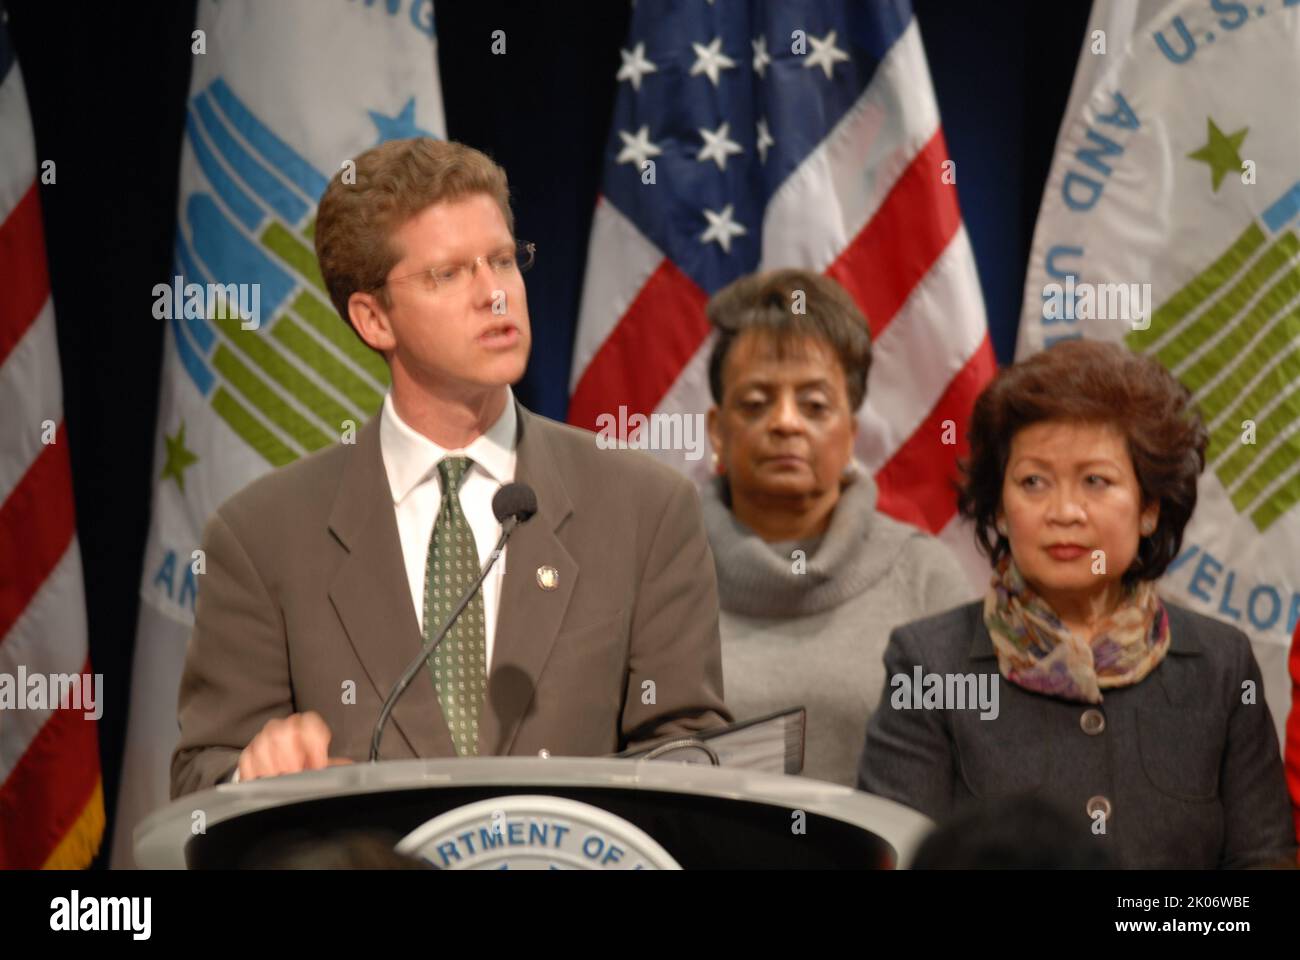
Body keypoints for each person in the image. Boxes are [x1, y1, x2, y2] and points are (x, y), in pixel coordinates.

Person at [171, 138, 730, 797]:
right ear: (374, 318)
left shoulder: (645, 508)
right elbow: (200, 782)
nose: (495, 296)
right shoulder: (262, 537)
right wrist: (254, 773)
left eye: (501, 261)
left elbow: (688, 756)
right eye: (448, 274)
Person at [857, 339, 1296, 868]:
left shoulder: (1221, 663)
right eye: (1034, 482)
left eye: (1096, 481)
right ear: (999, 506)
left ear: (1150, 507)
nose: (1064, 511)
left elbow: (1262, 865)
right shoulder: (927, 662)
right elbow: (898, 859)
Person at [701, 269, 971, 787]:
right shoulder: (658, 570)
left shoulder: (923, 576)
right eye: (756, 403)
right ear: (717, 431)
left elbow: (974, 772)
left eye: (815, 405)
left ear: (850, 432)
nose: (785, 423)